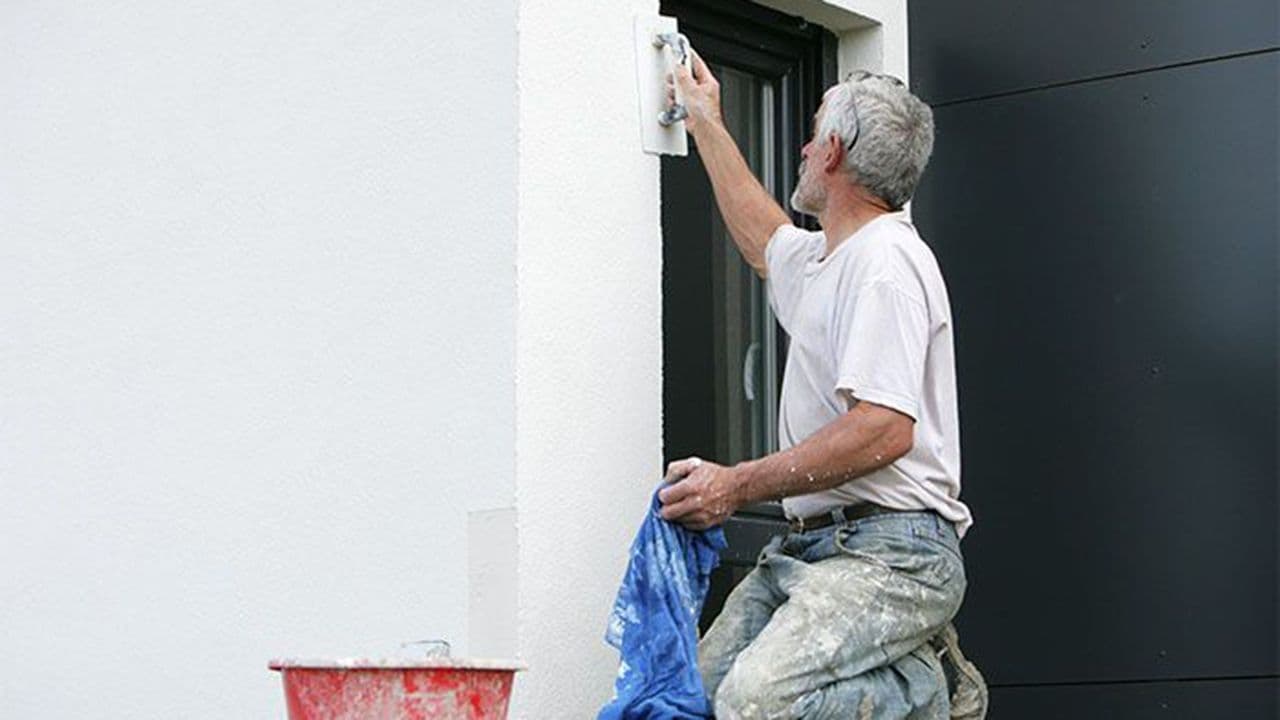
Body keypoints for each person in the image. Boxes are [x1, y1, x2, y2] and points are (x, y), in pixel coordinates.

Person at [657, 52, 989, 719]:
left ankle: (924, 689)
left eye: (812, 135)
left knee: (757, 702)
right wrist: (706, 120)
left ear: (834, 151)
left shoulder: (886, 264)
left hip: (895, 554)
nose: (803, 148)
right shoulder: (826, 260)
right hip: (813, 545)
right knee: (693, 698)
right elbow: (763, 236)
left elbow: (885, 428)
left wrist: (736, 484)